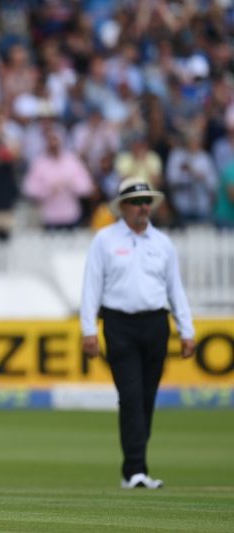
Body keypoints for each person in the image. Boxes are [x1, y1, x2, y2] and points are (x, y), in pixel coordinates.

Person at [80, 177, 196, 489]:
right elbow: (91, 287)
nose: (144, 207)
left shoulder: (162, 243)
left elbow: (175, 289)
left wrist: (187, 330)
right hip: (119, 324)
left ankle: (135, 467)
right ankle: (135, 470)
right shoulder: (104, 240)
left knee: (146, 399)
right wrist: (89, 330)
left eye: (147, 202)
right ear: (123, 207)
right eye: (137, 202)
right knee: (131, 397)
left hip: (156, 324)